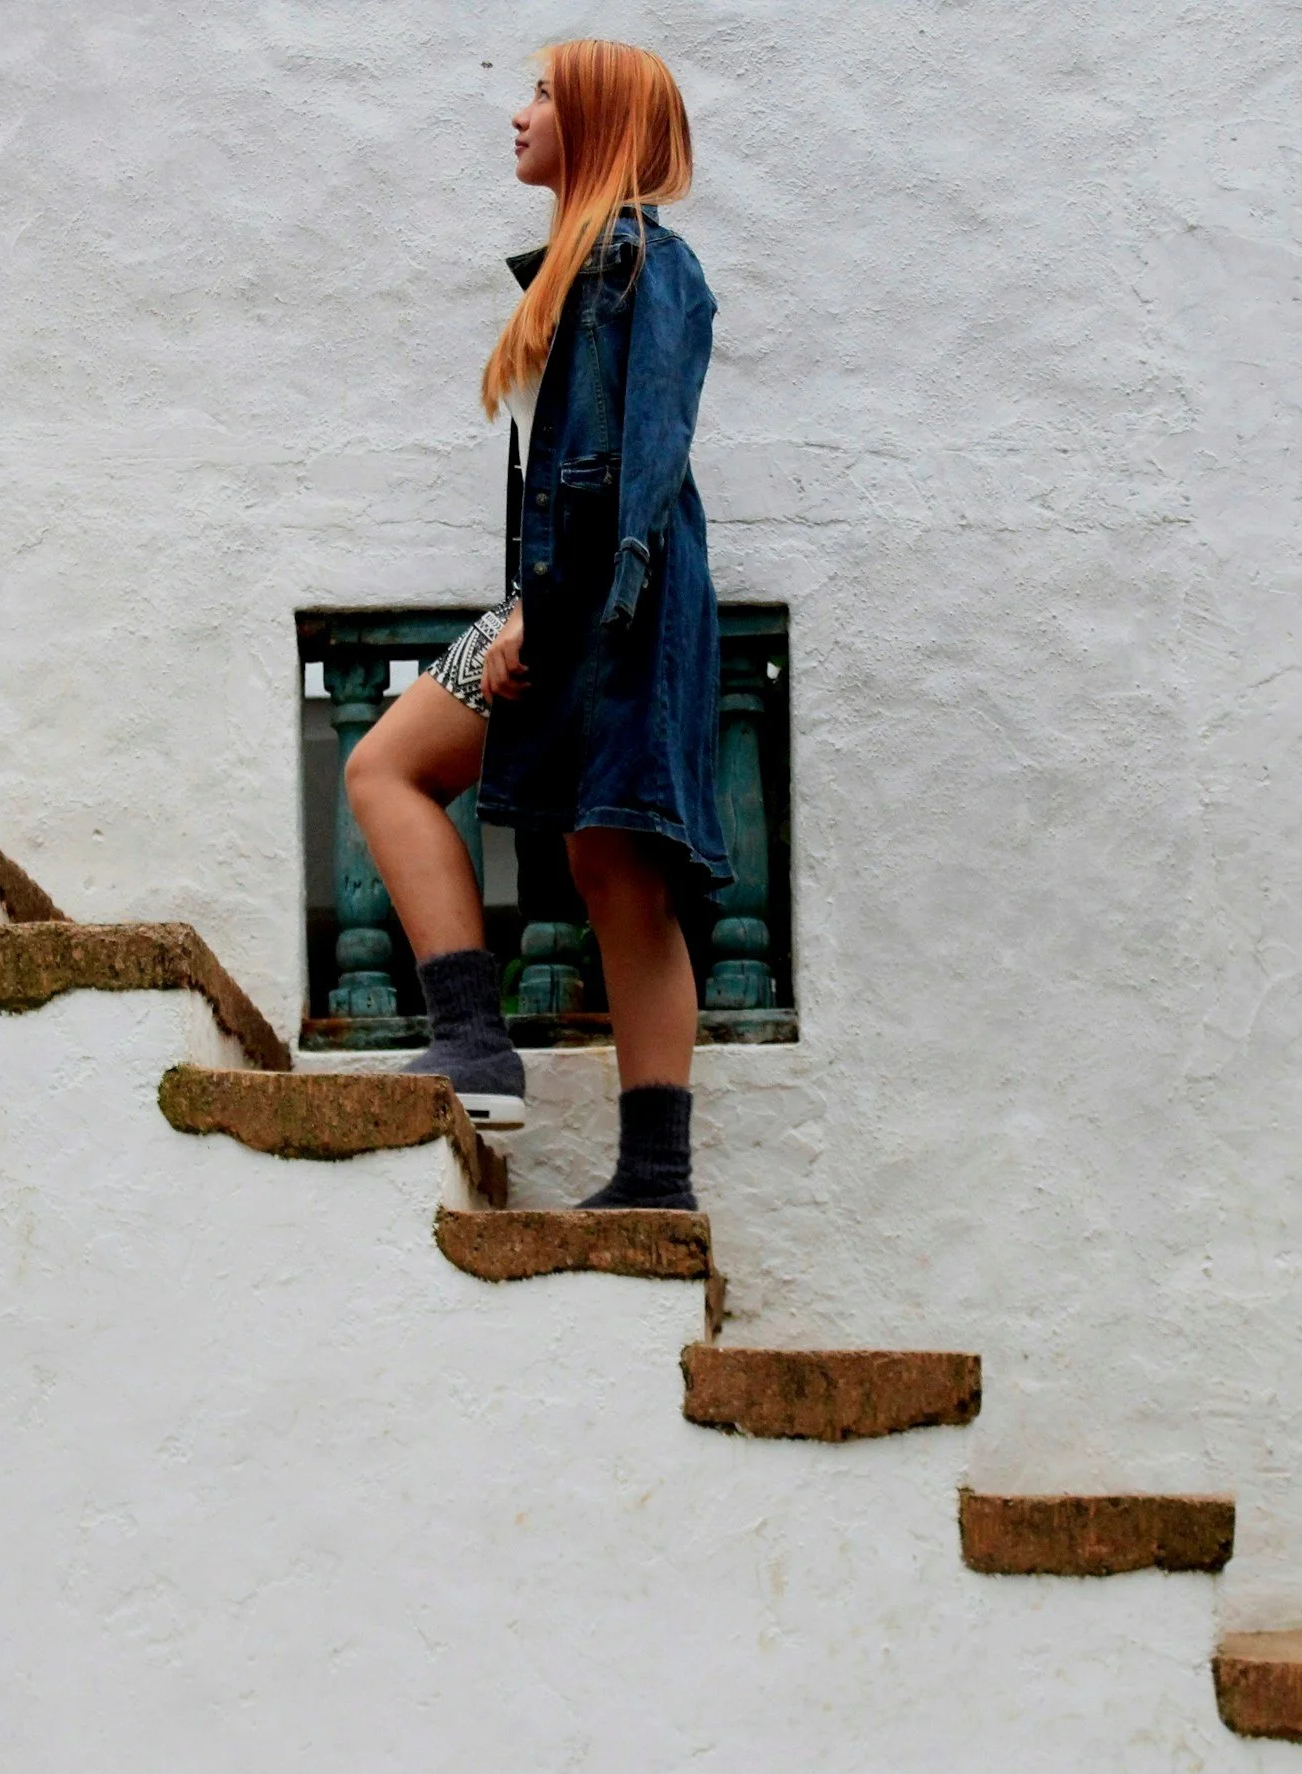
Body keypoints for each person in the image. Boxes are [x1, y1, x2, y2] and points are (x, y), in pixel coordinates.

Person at [344, 39, 727, 1212]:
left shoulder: (639, 266)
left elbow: (637, 468)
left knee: (615, 865)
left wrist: (552, 617)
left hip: (615, 602)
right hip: (562, 597)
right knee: (388, 769)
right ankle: (472, 1039)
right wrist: (530, 607)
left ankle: (655, 1173)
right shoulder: (573, 272)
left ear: (601, 119)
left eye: (545, 96)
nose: (517, 116)